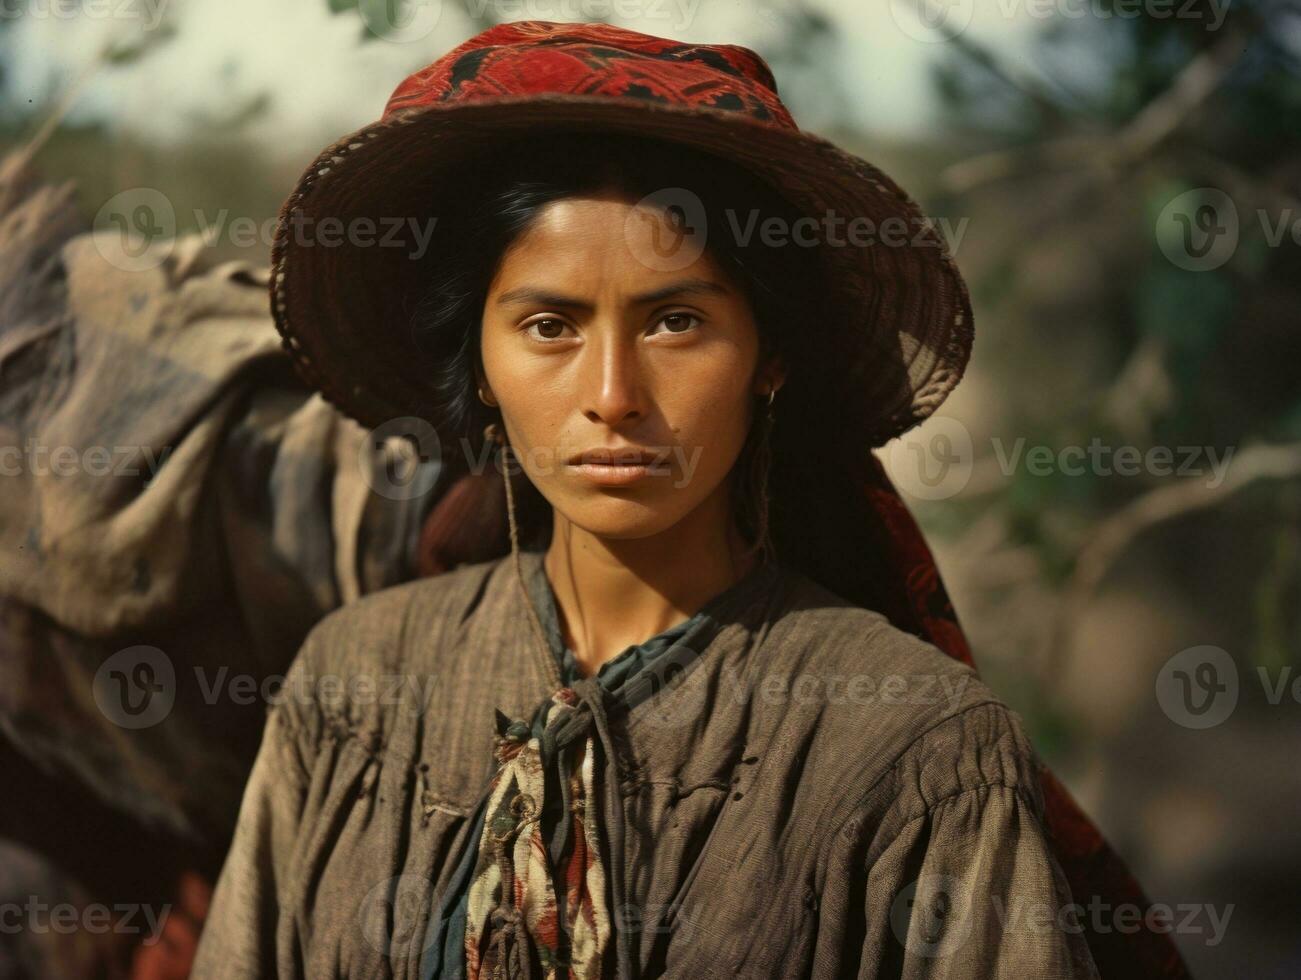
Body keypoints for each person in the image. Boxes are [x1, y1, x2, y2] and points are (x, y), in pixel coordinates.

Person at [191, 20, 1187, 980]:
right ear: (480, 364)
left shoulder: (912, 744)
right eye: (548, 324)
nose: (613, 393)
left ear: (769, 357)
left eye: (675, 321)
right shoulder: (353, 681)